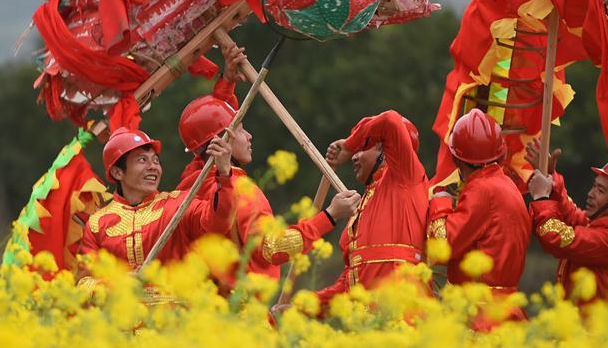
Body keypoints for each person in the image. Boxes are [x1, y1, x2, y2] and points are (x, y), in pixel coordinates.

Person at [177, 44, 360, 283]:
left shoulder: (190, 185)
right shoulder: (237, 191)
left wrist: (227, 84)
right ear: (222, 142)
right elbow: (273, 247)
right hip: (242, 312)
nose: (249, 135)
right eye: (241, 129)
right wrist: (331, 215)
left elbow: (208, 135)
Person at [76, 127, 236, 288]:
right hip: (123, 311)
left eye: (156, 160)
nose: (153, 166)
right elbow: (83, 284)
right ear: (118, 172)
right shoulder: (97, 224)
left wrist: (224, 174)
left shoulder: (180, 204)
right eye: (142, 160)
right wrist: (116, 284)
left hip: (177, 311)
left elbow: (219, 224)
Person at [316, 110, 429, 306]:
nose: (353, 156)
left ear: (385, 148)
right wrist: (303, 307)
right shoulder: (363, 206)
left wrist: (349, 144)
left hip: (403, 316)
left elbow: (389, 120)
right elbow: (348, 284)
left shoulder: (405, 174)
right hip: (369, 325)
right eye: (356, 150)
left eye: (362, 148)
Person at [426, 110, 530, 312]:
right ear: (501, 153)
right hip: (506, 309)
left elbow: (442, 246)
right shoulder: (507, 185)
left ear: (455, 160)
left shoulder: (481, 189)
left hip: (478, 312)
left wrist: (441, 204)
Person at [525, 138, 608, 305]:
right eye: (594, 186)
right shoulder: (605, 222)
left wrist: (542, 197)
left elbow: (559, 238)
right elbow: (572, 215)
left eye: (600, 190)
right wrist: (551, 179)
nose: (591, 194)